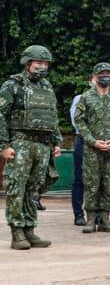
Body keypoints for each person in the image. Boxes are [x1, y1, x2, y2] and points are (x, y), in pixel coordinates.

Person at [0, 45, 62, 250]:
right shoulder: (12, 85)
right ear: (28, 63)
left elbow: (52, 115)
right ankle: (17, 232)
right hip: (20, 143)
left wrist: (56, 141)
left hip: (42, 145)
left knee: (33, 189)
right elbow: (0, 115)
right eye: (39, 63)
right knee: (16, 187)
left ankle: (29, 229)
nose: (43, 67)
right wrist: (4, 145)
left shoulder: (47, 87)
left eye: (45, 63)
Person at [74, 63, 110, 233]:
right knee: (92, 183)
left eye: (109, 73)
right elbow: (79, 120)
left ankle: (105, 219)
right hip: (92, 149)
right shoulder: (86, 96)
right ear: (95, 76)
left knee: (107, 183)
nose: (106, 76)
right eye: (102, 74)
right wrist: (92, 141)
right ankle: (90, 219)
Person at [69, 76, 94, 225]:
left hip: (103, 143)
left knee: (100, 179)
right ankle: (79, 214)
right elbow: (75, 120)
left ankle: (98, 214)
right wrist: (91, 137)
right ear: (91, 81)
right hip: (83, 140)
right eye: (96, 78)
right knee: (80, 178)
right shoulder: (80, 98)